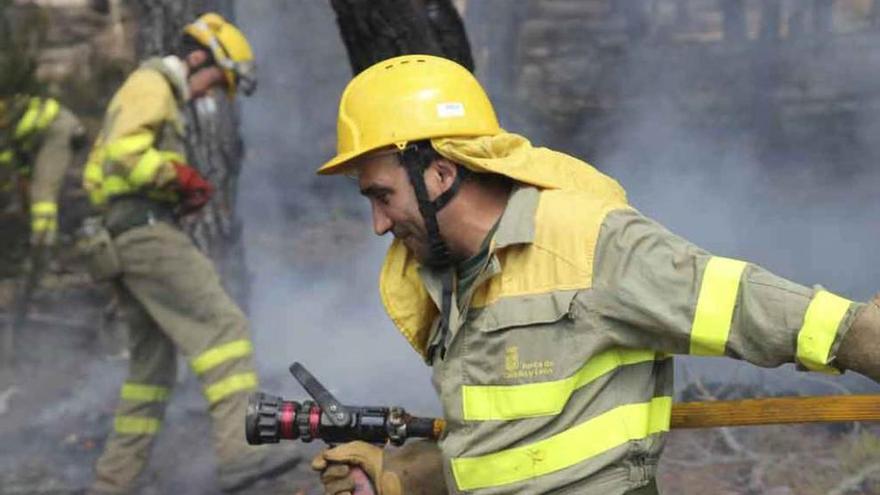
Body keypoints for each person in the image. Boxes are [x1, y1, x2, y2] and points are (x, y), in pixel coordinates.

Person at [309, 54, 880, 494]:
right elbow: (518, 450)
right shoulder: (448, 275)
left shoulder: (588, 243)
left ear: (437, 172)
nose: (378, 224)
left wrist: (866, 338)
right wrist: (399, 476)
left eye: (382, 195)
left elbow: (751, 307)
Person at [82, 13, 299, 494]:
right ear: (198, 57)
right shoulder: (153, 83)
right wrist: (176, 177)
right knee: (225, 329)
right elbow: (124, 154)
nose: (209, 94)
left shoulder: (150, 89)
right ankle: (239, 452)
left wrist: (175, 188)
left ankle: (112, 483)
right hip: (145, 233)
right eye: (215, 82)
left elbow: (114, 167)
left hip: (123, 234)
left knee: (150, 371)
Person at [0, 94, 84, 250]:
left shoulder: (6, 118)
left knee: (42, 193)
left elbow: (6, 160)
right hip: (35, 138)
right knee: (30, 189)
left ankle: (43, 248)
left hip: (58, 130)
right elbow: (16, 159)